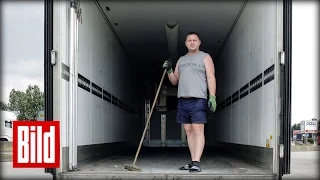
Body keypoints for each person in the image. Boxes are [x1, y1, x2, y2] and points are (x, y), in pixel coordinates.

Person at [162, 32, 217, 172]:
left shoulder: (205, 57)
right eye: (189, 40)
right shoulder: (181, 60)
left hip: (198, 99)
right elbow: (174, 80)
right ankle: (193, 161)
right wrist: (169, 70)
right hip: (183, 100)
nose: (192, 42)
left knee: (198, 130)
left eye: (194, 40)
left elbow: (211, 77)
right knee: (189, 131)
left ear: (199, 42)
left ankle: (196, 162)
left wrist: (212, 96)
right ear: (186, 43)